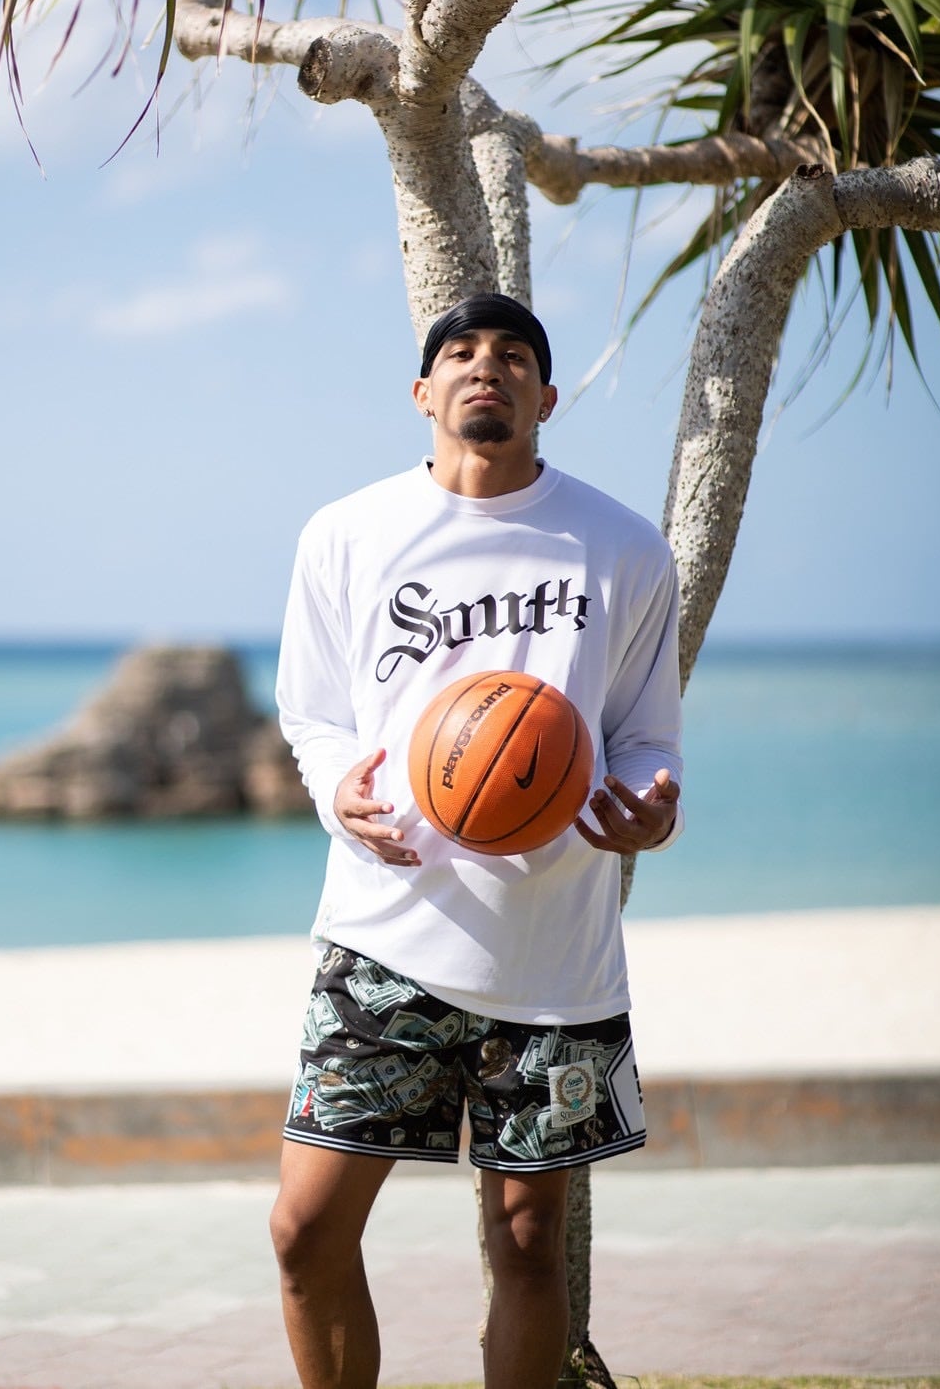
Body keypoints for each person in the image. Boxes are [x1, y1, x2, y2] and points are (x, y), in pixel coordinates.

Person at [271, 293, 683, 1389]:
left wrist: (652, 806)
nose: (484, 365)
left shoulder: (623, 546)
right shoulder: (346, 532)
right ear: (424, 391)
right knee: (304, 1230)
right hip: (382, 936)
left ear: (546, 398)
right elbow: (312, 713)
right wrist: (337, 796)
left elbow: (647, 735)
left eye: (512, 355)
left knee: (528, 1244)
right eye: (459, 351)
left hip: (553, 953)